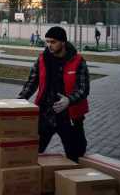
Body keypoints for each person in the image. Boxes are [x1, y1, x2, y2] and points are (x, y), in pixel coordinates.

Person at [18, 26, 90, 162]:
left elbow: (84, 89)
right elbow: (32, 82)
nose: (49, 45)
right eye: (47, 42)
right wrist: (19, 100)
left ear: (63, 42)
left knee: (76, 154)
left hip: (70, 116)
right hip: (46, 113)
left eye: (53, 42)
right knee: (33, 151)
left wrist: (69, 100)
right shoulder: (42, 59)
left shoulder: (78, 61)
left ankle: (75, 180)